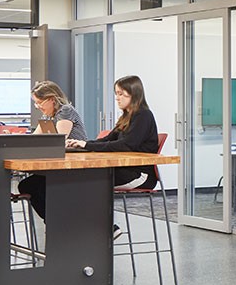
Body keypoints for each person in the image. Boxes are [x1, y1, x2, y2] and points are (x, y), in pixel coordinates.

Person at [18, 75, 158, 228]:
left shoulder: (144, 116)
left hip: (139, 174)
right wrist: (84, 144)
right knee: (30, 184)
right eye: (116, 94)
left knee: (84, 181)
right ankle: (60, 225)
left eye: (121, 94)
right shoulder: (126, 117)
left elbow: (126, 144)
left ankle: (104, 228)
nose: (117, 98)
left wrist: (86, 145)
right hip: (122, 170)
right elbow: (108, 139)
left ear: (134, 94)